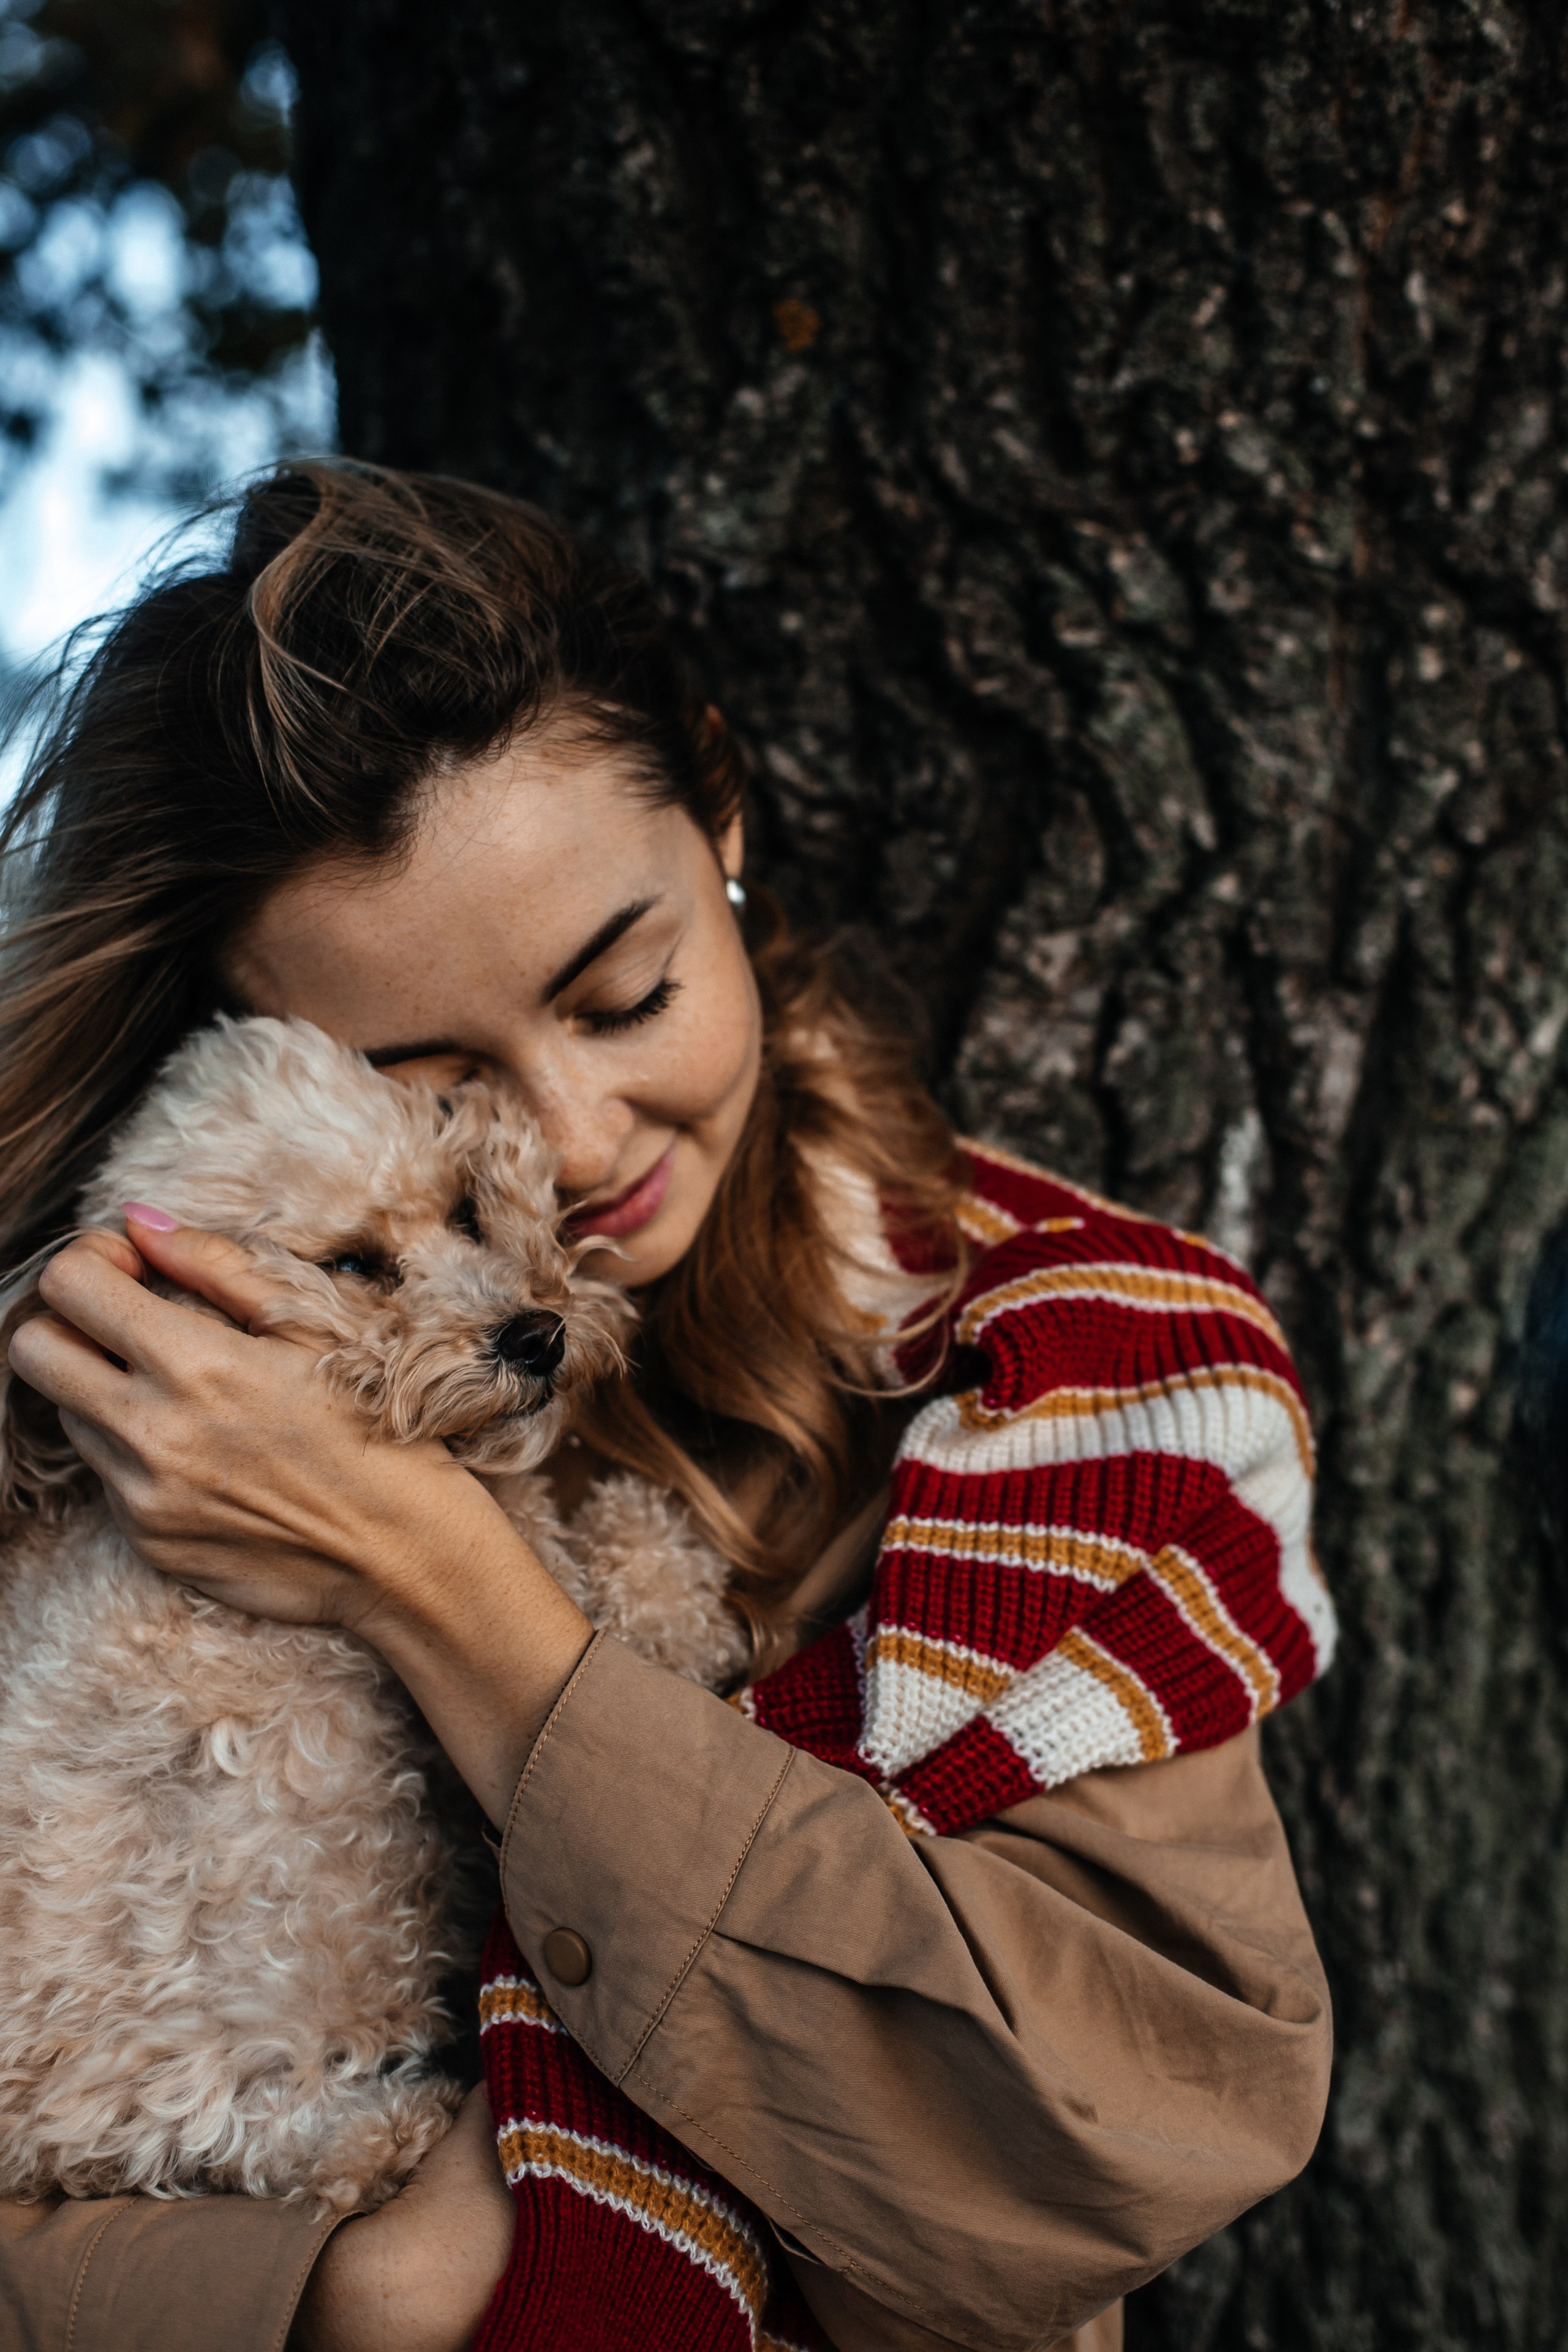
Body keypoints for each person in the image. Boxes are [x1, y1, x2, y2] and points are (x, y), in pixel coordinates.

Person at [0, 462, 1333, 2352]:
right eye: (429, 1082)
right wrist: (328, 2300)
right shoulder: (120, 1408)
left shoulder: (1076, 1392)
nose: (570, 1144)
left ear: (719, 809)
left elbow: (1111, 2137)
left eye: (624, 996)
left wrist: (452, 1598)